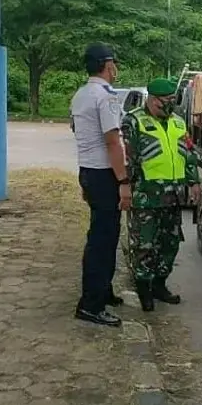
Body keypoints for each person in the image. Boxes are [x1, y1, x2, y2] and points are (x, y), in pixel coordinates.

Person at [121, 78, 201, 311]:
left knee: (170, 243)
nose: (171, 105)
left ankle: (159, 284)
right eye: (167, 101)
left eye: (172, 100)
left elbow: (188, 154)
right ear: (154, 100)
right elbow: (128, 158)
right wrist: (126, 186)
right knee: (144, 244)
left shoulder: (177, 123)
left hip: (173, 196)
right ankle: (144, 289)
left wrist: (193, 182)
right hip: (146, 196)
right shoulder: (134, 121)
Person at [70, 42, 131, 327]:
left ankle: (103, 292)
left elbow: (78, 132)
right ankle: (91, 305)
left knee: (103, 235)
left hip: (88, 171)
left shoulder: (81, 95)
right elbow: (112, 141)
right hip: (105, 174)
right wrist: (123, 180)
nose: (115, 68)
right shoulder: (105, 97)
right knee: (102, 240)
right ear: (108, 66)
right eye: (114, 64)